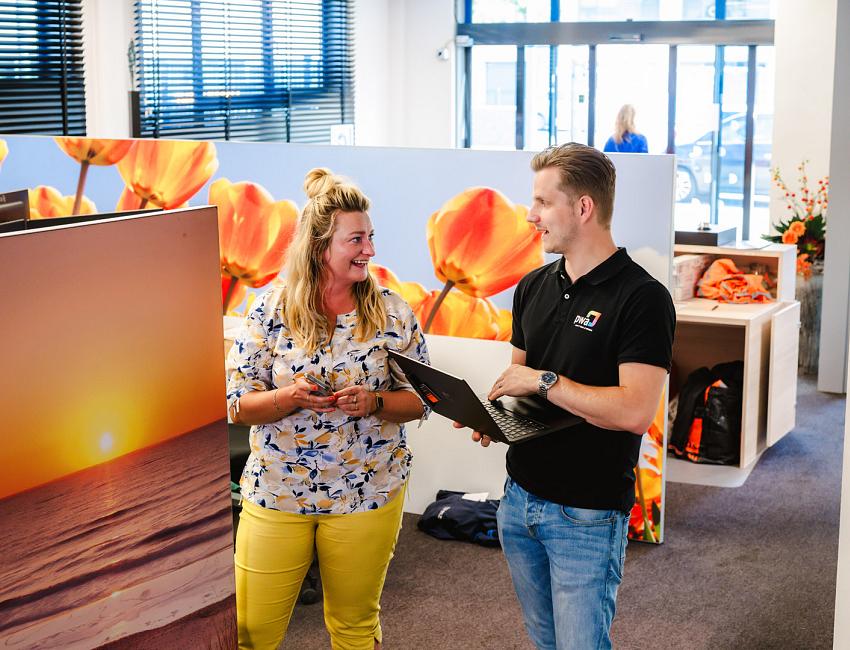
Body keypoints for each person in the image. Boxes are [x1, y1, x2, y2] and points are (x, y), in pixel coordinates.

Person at [456, 143, 674, 649]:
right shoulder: (532, 287)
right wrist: (493, 417)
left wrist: (545, 381)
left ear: (582, 208)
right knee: (544, 640)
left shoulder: (642, 298)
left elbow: (635, 412)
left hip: (587, 514)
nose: (530, 216)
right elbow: (519, 384)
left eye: (542, 203)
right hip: (519, 502)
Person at [226, 167, 429, 650]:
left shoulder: (392, 312)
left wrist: (374, 401)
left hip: (367, 492)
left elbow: (421, 401)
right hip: (278, 492)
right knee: (249, 632)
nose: (370, 251)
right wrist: (287, 397)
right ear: (320, 248)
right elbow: (237, 405)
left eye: (371, 237)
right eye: (356, 240)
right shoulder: (269, 310)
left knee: (354, 629)